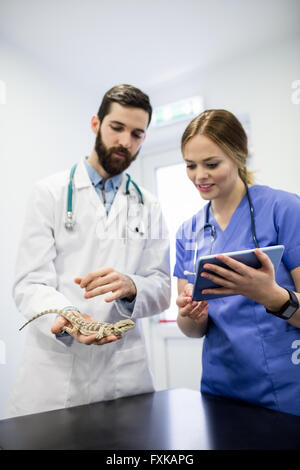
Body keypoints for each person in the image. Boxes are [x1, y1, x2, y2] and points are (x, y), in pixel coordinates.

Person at [8, 84, 170, 417]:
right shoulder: (49, 193)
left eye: (137, 134)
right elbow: (29, 284)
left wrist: (133, 286)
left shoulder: (149, 205)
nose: (125, 141)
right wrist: (66, 318)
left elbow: (163, 286)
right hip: (55, 375)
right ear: (96, 124)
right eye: (117, 128)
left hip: (124, 371)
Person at [174, 109, 300, 416]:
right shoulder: (188, 232)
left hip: (287, 387)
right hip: (221, 389)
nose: (199, 176)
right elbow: (191, 329)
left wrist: (270, 295)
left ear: (239, 156)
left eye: (211, 164)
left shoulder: (284, 210)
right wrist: (193, 315)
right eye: (191, 165)